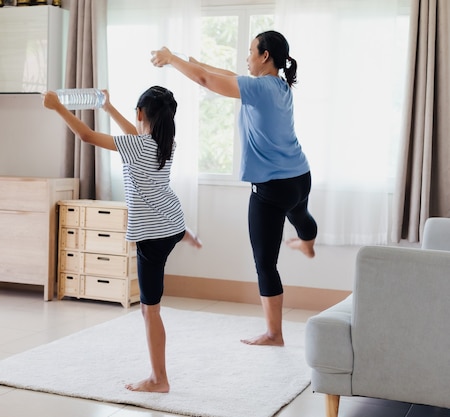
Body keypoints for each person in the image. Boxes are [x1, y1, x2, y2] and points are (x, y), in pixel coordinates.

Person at [151, 30, 317, 347]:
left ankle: (274, 334)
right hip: (299, 176)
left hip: (271, 189)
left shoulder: (260, 89)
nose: (247, 56)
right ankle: (308, 243)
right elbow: (228, 76)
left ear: (264, 56)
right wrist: (199, 63)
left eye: (251, 50)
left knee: (265, 264)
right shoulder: (279, 85)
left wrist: (172, 60)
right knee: (301, 215)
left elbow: (206, 82)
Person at [43, 86, 202, 393]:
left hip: (153, 235)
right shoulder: (164, 143)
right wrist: (109, 108)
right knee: (168, 238)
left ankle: (159, 379)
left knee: (149, 309)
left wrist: (57, 108)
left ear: (140, 113)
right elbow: (134, 135)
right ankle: (183, 233)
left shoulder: (137, 145)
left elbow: (88, 137)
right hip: (170, 222)